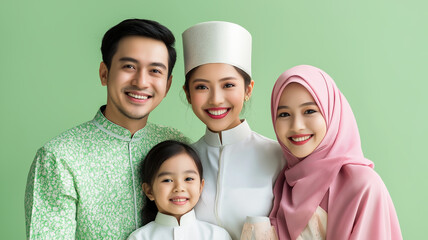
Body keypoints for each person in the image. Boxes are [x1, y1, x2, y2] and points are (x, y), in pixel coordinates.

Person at [25, 19, 189, 239]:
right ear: (104, 73)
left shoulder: (176, 144)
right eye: (129, 66)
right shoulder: (59, 157)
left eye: (155, 71)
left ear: (167, 85)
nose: (141, 82)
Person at [269, 65, 402, 239]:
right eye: (284, 114)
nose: (297, 126)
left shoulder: (363, 185)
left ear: (331, 113)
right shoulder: (283, 184)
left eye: (309, 111)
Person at [182, 21, 285, 240]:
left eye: (228, 85)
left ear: (248, 89)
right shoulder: (183, 160)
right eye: (201, 87)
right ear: (188, 93)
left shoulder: (278, 156)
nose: (216, 99)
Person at [127, 140, 231, 240]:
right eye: (167, 180)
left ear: (200, 187)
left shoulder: (217, 236)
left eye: (188, 179)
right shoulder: (139, 237)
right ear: (149, 191)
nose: (179, 188)